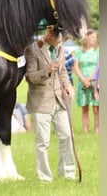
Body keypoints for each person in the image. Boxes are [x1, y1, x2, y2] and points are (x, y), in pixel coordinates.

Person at [24, 28, 75, 182]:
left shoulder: (60, 48)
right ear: (50, 35)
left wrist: (68, 86)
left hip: (60, 100)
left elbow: (63, 72)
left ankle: (68, 173)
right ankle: (45, 177)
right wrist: (46, 70)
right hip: (40, 102)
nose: (60, 43)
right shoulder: (32, 49)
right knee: (43, 142)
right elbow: (30, 77)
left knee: (66, 135)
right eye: (59, 40)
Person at [73, 29, 99, 134]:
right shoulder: (79, 51)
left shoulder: (98, 51)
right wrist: (83, 79)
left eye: (95, 37)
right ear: (87, 38)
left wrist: (91, 78)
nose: (94, 39)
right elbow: (76, 66)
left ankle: (97, 131)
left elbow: (99, 67)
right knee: (85, 108)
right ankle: (85, 132)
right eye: (92, 37)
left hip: (95, 82)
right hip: (82, 82)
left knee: (96, 108)